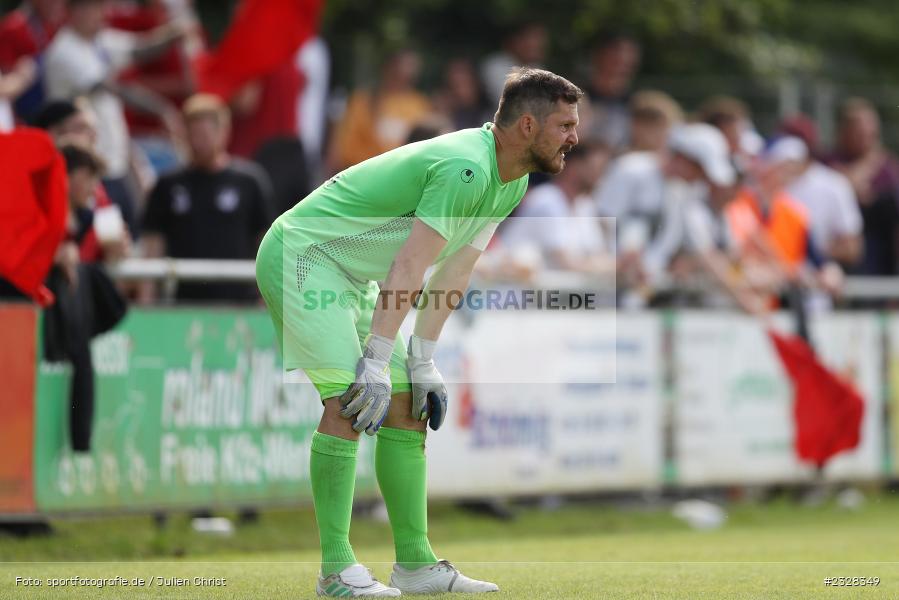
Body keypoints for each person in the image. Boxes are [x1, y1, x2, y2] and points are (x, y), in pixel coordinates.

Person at [255, 67, 582, 596]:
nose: (575, 137)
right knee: (350, 400)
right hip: (303, 256)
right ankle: (335, 571)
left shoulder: (511, 179)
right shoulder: (466, 168)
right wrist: (379, 360)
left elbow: (455, 271)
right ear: (527, 125)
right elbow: (409, 268)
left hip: (350, 273)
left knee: (406, 405)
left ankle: (415, 565)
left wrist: (422, 358)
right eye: (565, 124)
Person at [44, 0, 187, 236]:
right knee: (98, 243)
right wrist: (163, 110)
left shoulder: (100, 41)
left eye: (100, 6)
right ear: (71, 12)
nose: (98, 13)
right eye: (90, 7)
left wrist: (174, 32)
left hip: (111, 165)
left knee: (125, 239)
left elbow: (140, 49)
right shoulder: (63, 50)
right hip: (82, 170)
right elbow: (112, 88)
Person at [141, 93, 273, 303]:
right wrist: (146, 299)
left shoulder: (249, 182)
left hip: (240, 303)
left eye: (204, 134)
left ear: (224, 132)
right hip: (183, 304)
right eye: (192, 134)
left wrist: (266, 298)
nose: (197, 142)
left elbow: (266, 243)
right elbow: (153, 247)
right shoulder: (168, 185)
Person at [500, 141, 614, 273]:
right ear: (574, 166)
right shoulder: (546, 199)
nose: (600, 176)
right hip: (513, 290)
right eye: (596, 168)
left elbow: (599, 255)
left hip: (551, 291)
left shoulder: (585, 205)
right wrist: (612, 267)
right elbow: (566, 263)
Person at [594, 90, 682, 253]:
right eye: (659, 128)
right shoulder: (624, 165)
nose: (665, 137)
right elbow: (604, 217)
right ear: (637, 126)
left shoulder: (667, 170)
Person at [772, 123, 863, 269]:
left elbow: (852, 248)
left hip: (813, 285)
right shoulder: (763, 184)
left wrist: (811, 255)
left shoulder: (835, 185)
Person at [827, 97, 899, 276]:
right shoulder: (830, 161)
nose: (867, 135)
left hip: (881, 254)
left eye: (871, 131)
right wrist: (870, 162)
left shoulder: (889, 167)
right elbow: (841, 185)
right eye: (860, 131)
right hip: (842, 255)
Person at [328, 49, 432, 171]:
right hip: (363, 175)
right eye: (396, 74)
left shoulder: (419, 105)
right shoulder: (362, 101)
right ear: (386, 69)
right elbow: (344, 148)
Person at [0, 0, 66, 123]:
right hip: (24, 114)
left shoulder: (56, 26)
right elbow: (5, 82)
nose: (58, 5)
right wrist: (22, 77)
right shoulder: (13, 27)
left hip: (51, 106)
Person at [583, 33, 641, 150]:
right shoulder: (576, 98)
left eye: (627, 63)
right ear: (599, 58)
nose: (621, 67)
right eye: (615, 60)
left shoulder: (635, 104)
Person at [479, 21, 546, 106]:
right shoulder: (495, 65)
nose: (538, 44)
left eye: (540, 38)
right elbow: (510, 101)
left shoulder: (538, 67)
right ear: (515, 41)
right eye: (533, 38)